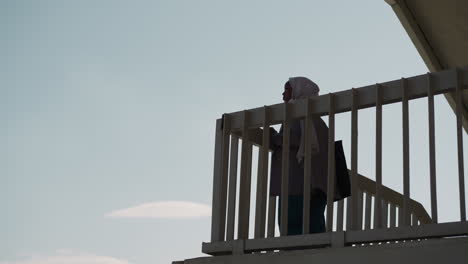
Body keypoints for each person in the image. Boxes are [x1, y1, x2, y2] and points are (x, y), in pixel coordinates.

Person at [269, 77, 329, 235]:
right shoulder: (319, 121)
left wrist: (272, 136)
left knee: (292, 225)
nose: (283, 95)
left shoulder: (296, 115)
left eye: (287, 90)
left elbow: (293, 139)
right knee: (314, 223)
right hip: (317, 184)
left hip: (295, 182)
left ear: (297, 91)